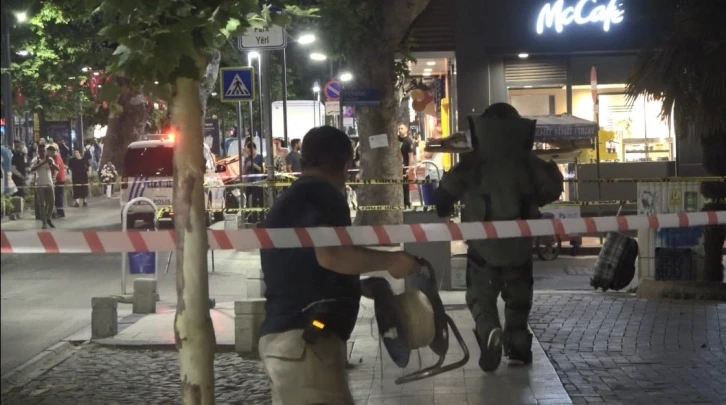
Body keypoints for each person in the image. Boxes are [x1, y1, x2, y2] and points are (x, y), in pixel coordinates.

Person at [258, 126, 420, 405]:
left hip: (291, 341)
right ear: (346, 165)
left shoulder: (297, 196)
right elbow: (331, 255)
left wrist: (355, 286)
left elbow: (307, 267)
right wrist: (392, 260)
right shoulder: (323, 194)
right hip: (305, 343)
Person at [433, 103, 563, 372]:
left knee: (480, 297)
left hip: (482, 245)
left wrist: (445, 206)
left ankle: (489, 330)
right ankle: (517, 349)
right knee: (518, 301)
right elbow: (551, 190)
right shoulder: (528, 161)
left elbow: (444, 196)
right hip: (520, 244)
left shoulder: (473, 162)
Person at [30, 145, 58, 229]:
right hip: (39, 184)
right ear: (38, 152)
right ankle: (44, 222)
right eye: (40, 151)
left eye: (44, 151)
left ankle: (48, 218)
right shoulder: (35, 160)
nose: (42, 152)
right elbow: (32, 169)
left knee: (52, 202)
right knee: (42, 204)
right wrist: (43, 162)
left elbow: (57, 168)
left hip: (49, 183)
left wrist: (51, 163)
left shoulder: (50, 159)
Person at [244, 142, 264, 222]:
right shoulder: (247, 159)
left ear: (253, 149)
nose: (248, 153)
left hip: (258, 182)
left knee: (260, 200)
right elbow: (244, 172)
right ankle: (253, 217)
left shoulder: (260, 158)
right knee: (250, 200)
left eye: (249, 151)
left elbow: (263, 170)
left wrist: (254, 165)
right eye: (247, 151)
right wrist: (247, 166)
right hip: (249, 182)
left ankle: (262, 217)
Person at [398, 123, 415, 208]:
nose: (400, 130)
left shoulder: (408, 141)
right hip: (396, 166)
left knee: (404, 185)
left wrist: (409, 167)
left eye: (402, 128)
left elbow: (411, 155)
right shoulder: (396, 139)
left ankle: (406, 202)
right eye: (399, 128)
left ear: (406, 129)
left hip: (404, 166)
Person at [49, 145, 67, 218]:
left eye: (48, 152)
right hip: (58, 179)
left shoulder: (56, 157)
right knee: (57, 195)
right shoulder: (53, 157)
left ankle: (60, 212)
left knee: (58, 196)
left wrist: (53, 178)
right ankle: (58, 211)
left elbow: (57, 168)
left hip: (59, 179)